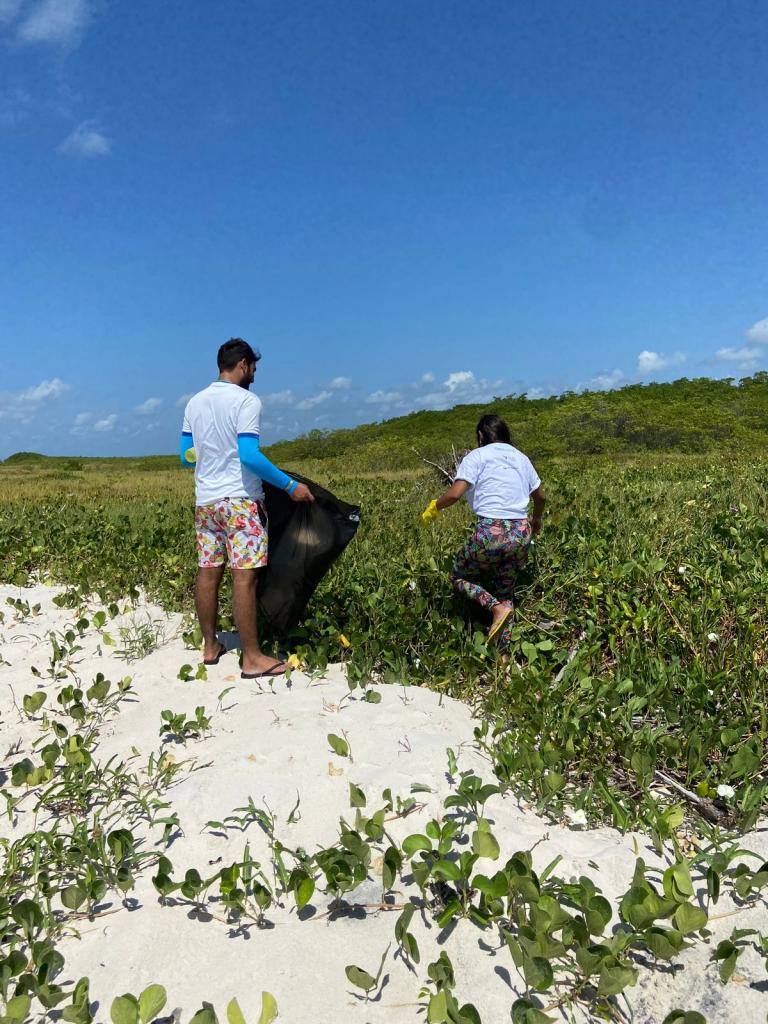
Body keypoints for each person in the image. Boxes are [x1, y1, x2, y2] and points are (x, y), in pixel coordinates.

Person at [180, 338, 313, 679]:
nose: (254, 373)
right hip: (240, 502)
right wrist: (290, 486)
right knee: (244, 578)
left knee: (208, 572)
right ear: (242, 364)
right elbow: (249, 456)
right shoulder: (246, 401)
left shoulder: (194, 403)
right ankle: (252, 658)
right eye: (253, 367)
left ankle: (210, 646)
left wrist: (210, 454)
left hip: (206, 502)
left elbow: (185, 457)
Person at [421, 414, 545, 643]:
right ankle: (503, 655)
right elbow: (541, 497)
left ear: (481, 436)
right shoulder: (522, 458)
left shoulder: (477, 456)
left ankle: (494, 607)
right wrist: (536, 520)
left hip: (491, 531)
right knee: (506, 591)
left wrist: (434, 507)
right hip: (522, 532)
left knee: (458, 576)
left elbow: (455, 493)